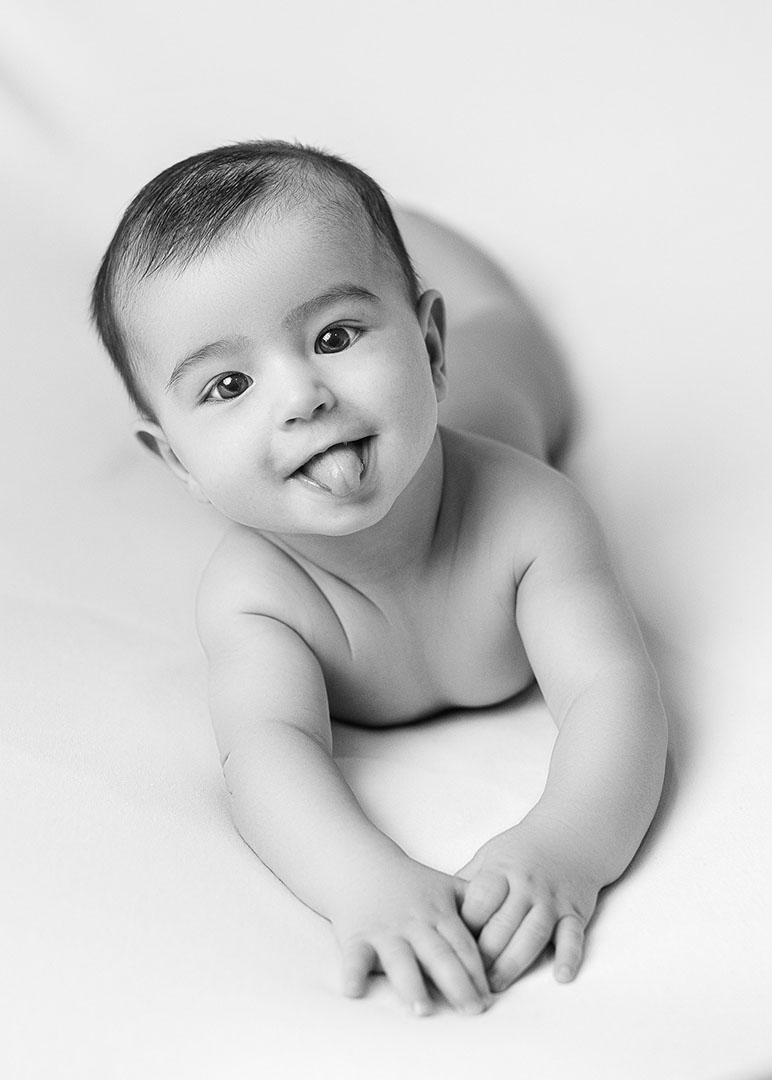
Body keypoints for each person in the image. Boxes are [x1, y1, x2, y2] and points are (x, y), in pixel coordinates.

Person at [91, 140, 668, 1018]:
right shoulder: (256, 599)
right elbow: (267, 750)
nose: (299, 398)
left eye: (335, 336)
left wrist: (568, 844)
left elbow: (611, 687)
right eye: (227, 384)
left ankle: (416, 230)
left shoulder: (529, 516)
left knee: (501, 321)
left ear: (429, 347)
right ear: (176, 461)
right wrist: (366, 883)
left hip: (501, 390)